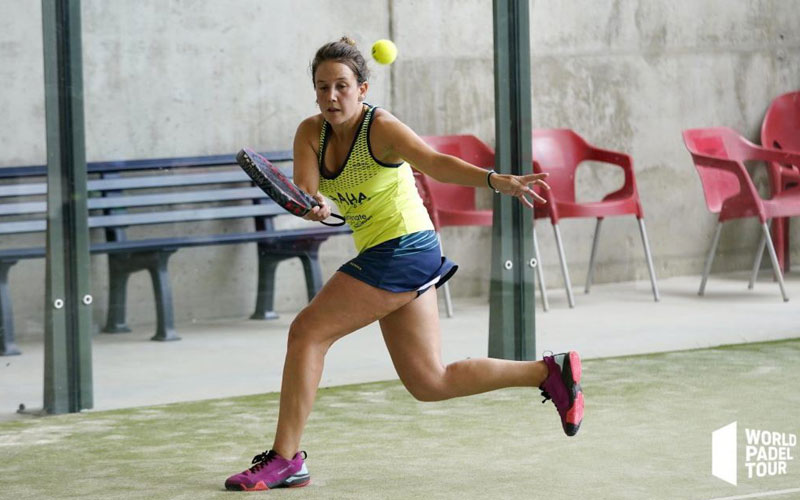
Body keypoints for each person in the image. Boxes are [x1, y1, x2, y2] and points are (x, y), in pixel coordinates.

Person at [224, 37, 583, 492]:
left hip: (406, 247)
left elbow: (435, 163)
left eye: (341, 86)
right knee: (429, 381)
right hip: (387, 252)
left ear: (362, 88)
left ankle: (286, 459)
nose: (331, 96)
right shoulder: (308, 132)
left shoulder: (382, 128)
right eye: (322, 87)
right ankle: (549, 371)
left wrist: (496, 181)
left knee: (307, 332)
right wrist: (312, 204)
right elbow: (308, 189)